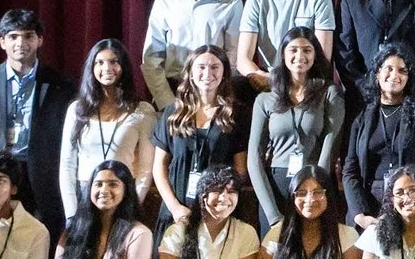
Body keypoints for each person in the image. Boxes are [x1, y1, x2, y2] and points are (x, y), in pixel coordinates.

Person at [0, 8, 73, 236]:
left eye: (28, 36)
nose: (21, 43)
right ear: (2, 42)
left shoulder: (62, 85)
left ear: (40, 40)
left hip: (41, 175)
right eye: (13, 36)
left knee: (41, 236)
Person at [339, 44, 415, 226]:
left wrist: (406, 202)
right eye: (389, 69)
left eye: (402, 71)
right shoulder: (361, 115)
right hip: (367, 205)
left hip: (409, 203)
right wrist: (360, 214)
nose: (395, 76)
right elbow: (350, 170)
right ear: (377, 73)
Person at [246, 29, 345, 221]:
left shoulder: (330, 94)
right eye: (293, 50)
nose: (300, 56)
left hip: (314, 186)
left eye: (307, 50)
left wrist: (315, 193)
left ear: (315, 55)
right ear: (283, 55)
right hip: (275, 189)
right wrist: (272, 214)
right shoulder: (265, 99)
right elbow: (253, 158)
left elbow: (330, 147)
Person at [151, 46, 247, 235]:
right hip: (175, 212)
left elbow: (240, 169)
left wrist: (220, 206)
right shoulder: (172, 113)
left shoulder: (237, 114)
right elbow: (159, 168)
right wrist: (174, 207)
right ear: (191, 73)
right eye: (201, 67)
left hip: (218, 214)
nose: (207, 73)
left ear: (224, 73)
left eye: (214, 67)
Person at [142, 0, 246, 109]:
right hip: (174, 89)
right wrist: (166, 102)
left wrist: (217, 96)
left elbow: (232, 55)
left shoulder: (232, 4)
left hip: (215, 91)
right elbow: (151, 59)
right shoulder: (164, 4)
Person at [59, 39, 157, 222]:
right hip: (85, 193)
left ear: (124, 67)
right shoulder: (77, 109)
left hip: (123, 196)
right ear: (92, 67)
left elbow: (145, 170)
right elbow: (67, 165)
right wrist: (71, 214)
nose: (107, 67)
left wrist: (132, 207)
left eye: (114, 61)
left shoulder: (142, 110)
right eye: (100, 62)